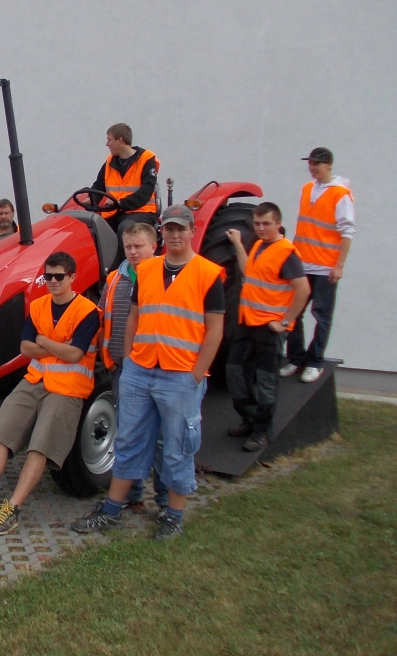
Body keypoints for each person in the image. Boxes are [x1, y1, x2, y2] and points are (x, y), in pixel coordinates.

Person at [72, 204, 224, 541]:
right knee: (128, 441)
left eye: (180, 228)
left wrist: (197, 373)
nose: (174, 234)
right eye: (169, 228)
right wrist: (129, 360)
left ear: (192, 231)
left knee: (177, 447)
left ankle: (174, 515)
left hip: (180, 375)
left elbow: (215, 329)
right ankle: (113, 509)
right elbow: (135, 316)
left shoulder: (208, 273)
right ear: (162, 233)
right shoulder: (149, 270)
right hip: (140, 371)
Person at [0, 251, 100, 535]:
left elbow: (75, 354)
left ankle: (12, 508)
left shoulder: (87, 311)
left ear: (72, 277)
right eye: (48, 276)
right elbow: (25, 348)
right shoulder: (39, 306)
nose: (53, 281)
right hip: (34, 380)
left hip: (67, 388)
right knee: (0, 433)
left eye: (59, 276)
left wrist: (42, 341)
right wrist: (56, 345)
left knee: (40, 446)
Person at [225, 203, 310, 452]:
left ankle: (261, 431)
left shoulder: (286, 253)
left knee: (265, 381)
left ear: (278, 224)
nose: (261, 228)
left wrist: (285, 322)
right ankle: (250, 420)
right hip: (247, 322)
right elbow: (248, 271)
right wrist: (238, 243)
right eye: (258, 224)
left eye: (266, 224)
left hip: (269, 329)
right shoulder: (260, 246)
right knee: (235, 372)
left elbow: (303, 290)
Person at [99, 222, 166, 512]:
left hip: (158, 367)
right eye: (128, 246)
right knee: (128, 433)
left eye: (139, 246)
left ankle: (165, 499)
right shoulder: (115, 278)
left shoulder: (166, 277)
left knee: (162, 438)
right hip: (123, 368)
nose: (133, 251)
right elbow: (103, 314)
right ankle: (132, 493)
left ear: (154, 246)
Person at [282, 147, 355, 384]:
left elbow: (347, 231)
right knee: (294, 312)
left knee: (322, 315)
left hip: (324, 266)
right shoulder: (307, 188)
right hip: (302, 264)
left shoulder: (340, 193)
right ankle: (296, 358)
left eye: (317, 164)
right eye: (310, 163)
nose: (312, 168)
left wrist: (339, 266)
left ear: (329, 165)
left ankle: (315, 362)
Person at [83, 124, 159, 266]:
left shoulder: (146, 159)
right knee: (94, 228)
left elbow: (145, 192)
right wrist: (91, 199)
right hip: (115, 211)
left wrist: (120, 203)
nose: (107, 144)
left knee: (126, 228)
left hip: (141, 211)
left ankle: (124, 270)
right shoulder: (110, 161)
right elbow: (99, 185)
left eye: (109, 140)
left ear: (120, 140)